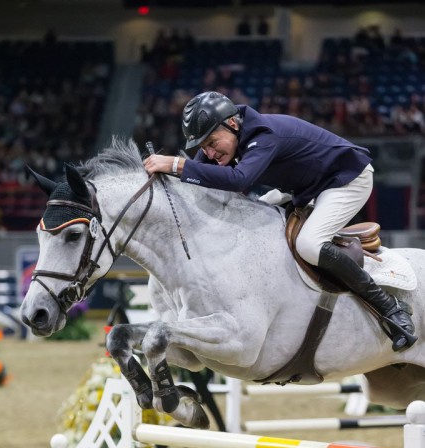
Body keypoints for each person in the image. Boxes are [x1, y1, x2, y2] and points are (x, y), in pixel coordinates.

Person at [144, 91, 417, 352]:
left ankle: (390, 307)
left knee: (309, 244)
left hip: (346, 180)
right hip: (302, 187)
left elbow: (239, 180)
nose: (211, 154)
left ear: (231, 124)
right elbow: (202, 184)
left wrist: (176, 165)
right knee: (247, 213)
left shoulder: (264, 136)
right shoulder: (228, 135)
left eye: (212, 144)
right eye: (204, 147)